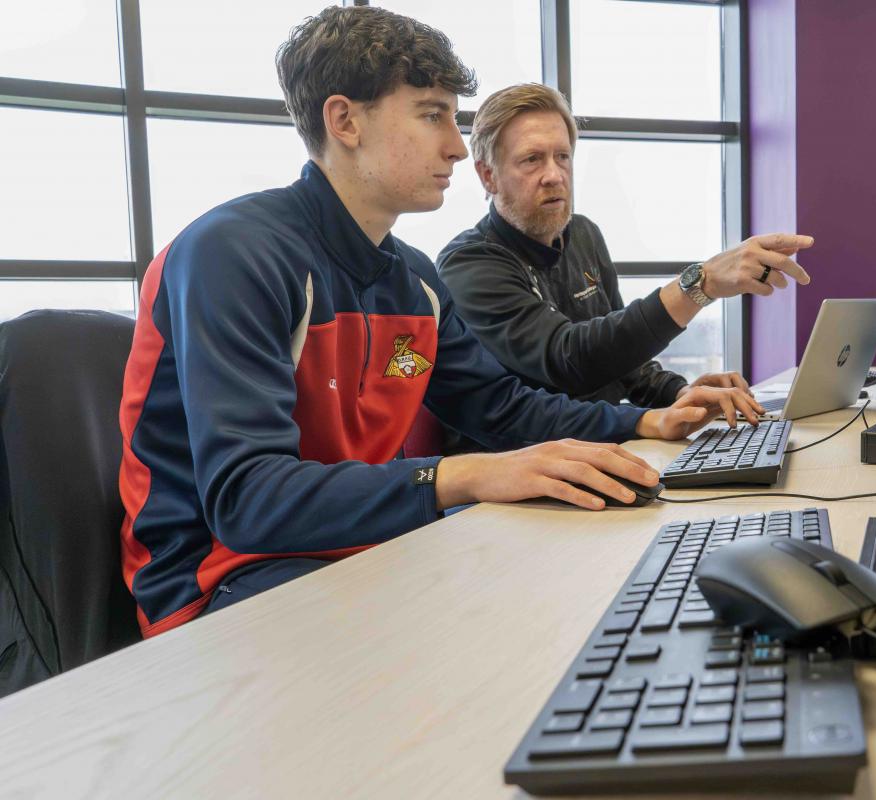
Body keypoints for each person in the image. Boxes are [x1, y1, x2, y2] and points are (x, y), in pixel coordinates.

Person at [116, 6, 758, 638]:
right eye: (431, 116)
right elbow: (248, 501)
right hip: (222, 580)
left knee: (584, 602)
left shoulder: (414, 279)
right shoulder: (235, 253)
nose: (455, 146)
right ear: (343, 120)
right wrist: (466, 474)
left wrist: (645, 421)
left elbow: (501, 410)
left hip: (363, 546)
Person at [436, 83, 813, 453]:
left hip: (603, 448)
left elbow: (621, 362)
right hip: (517, 475)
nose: (554, 175)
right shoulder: (470, 265)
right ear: (488, 175)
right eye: (532, 159)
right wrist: (702, 283)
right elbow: (568, 359)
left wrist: (682, 394)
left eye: (562, 156)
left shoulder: (582, 234)